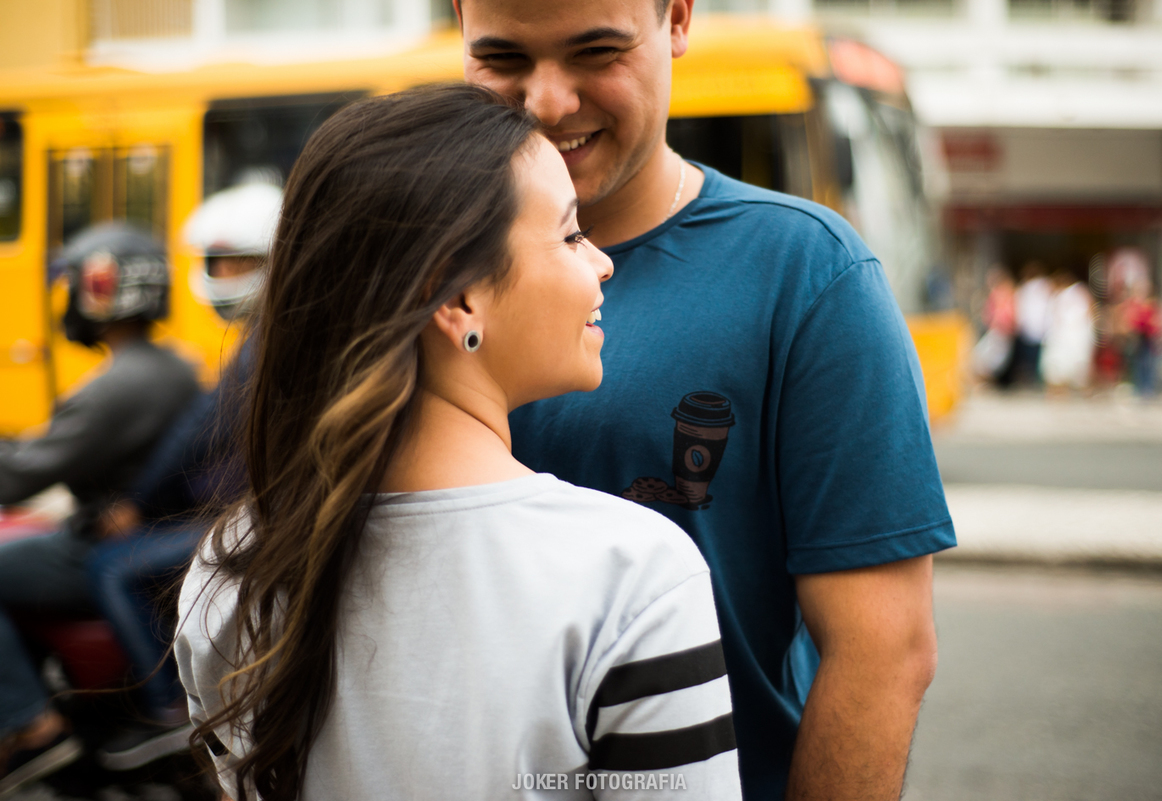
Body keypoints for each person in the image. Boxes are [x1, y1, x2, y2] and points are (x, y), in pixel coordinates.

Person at [175, 85, 742, 801]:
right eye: (570, 234)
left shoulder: (231, 569)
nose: (600, 262)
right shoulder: (633, 577)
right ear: (459, 297)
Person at [453, 1, 956, 799]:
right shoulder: (406, 274)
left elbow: (883, 651)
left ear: (678, 19)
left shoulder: (805, 275)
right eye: (504, 59)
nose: (547, 102)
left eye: (596, 51)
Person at [83, 181, 281, 772]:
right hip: (258, 508)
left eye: (236, 262)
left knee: (113, 566)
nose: (222, 274)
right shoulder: (270, 330)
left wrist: (137, 504)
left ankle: (169, 713)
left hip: (260, 517)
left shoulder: (264, 337)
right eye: (215, 263)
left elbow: (195, 431)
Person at [0, 223, 198, 795]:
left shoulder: (119, 384)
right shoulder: (172, 365)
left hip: (101, 545)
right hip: (146, 535)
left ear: (101, 289)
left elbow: (19, 472)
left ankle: (32, 726)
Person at [1040, 270, 1094, 394]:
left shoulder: (1072, 293)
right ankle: (1061, 389)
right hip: (1069, 336)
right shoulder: (1072, 293)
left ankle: (1067, 389)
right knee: (1063, 364)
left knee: (1068, 363)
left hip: (1071, 335)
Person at [1013, 260, 1052, 386]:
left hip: (1030, 327)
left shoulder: (1025, 288)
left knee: (1029, 357)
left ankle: (1032, 380)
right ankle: (1036, 380)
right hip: (1041, 327)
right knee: (1038, 356)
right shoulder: (1045, 286)